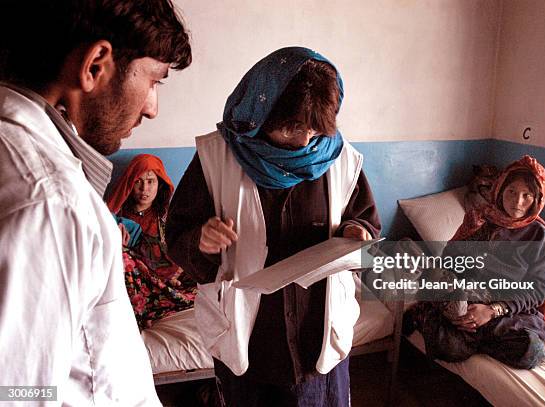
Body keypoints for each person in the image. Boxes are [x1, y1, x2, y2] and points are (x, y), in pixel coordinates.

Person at [166, 47, 381, 406]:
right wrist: (201, 239)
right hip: (249, 334)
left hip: (318, 331)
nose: (304, 141)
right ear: (260, 112)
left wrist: (356, 233)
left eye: (314, 129)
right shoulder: (216, 157)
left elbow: (365, 221)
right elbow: (177, 234)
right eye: (293, 128)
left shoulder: (340, 158)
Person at [0, 1, 191, 405]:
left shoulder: (18, 157)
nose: (152, 108)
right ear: (95, 66)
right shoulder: (52, 204)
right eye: (154, 81)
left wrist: (364, 252)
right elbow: (17, 392)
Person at [406, 156, 545, 370]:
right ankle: (468, 330)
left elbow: (537, 290)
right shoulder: (481, 220)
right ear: (500, 190)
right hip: (468, 298)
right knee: (449, 347)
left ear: (537, 199)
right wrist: (459, 309)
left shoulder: (541, 237)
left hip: (509, 310)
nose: (517, 202)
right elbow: (451, 263)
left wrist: (492, 311)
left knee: (530, 351)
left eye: (526, 195)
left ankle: (535, 343)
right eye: (511, 192)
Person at [106, 154, 197, 329]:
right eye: (138, 182)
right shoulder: (118, 218)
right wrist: (120, 248)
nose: (144, 189)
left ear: (160, 183)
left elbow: (182, 251)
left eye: (150, 181)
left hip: (170, 283)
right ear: (129, 184)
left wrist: (170, 277)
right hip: (137, 285)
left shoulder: (169, 216)